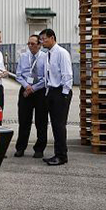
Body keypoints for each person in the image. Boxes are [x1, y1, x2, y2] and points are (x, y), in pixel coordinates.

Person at [39, 29, 73, 166]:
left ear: (52, 38)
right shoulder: (49, 54)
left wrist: (64, 94)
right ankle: (57, 153)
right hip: (52, 91)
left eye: (44, 39)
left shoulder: (61, 53)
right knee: (54, 125)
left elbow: (67, 74)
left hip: (61, 92)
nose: (42, 42)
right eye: (41, 39)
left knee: (59, 125)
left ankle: (62, 156)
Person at [14, 34, 48, 158]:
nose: (30, 46)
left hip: (39, 92)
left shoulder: (45, 58)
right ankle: (20, 148)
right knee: (24, 121)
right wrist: (26, 86)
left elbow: (45, 78)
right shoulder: (23, 57)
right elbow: (18, 75)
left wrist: (33, 88)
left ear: (39, 45)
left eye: (33, 44)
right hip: (25, 91)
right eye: (28, 43)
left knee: (41, 121)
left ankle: (39, 149)